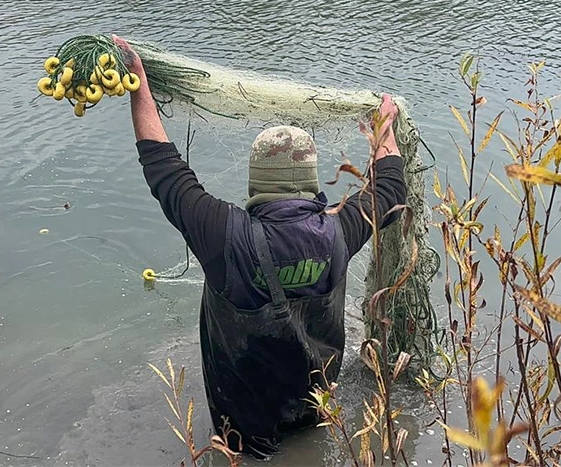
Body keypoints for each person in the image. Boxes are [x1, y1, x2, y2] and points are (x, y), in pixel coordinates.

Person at [112, 35, 406, 458]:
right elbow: (391, 187)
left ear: (255, 182)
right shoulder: (340, 230)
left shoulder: (224, 235)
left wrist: (140, 89)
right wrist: (383, 129)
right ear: (310, 179)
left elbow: (165, 172)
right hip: (318, 413)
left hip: (242, 435)